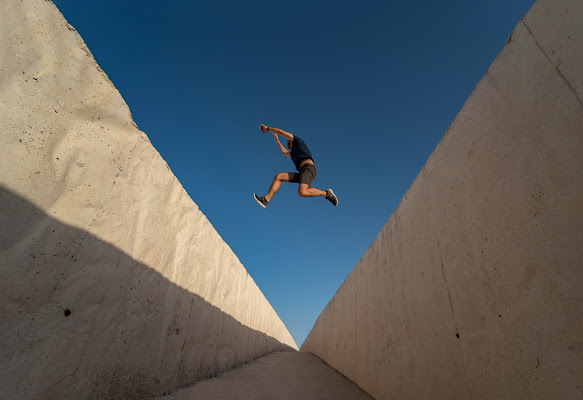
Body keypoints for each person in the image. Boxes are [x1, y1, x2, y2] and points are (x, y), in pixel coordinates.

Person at [254, 124, 338, 208]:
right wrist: (277, 141)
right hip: (301, 172)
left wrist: (268, 129)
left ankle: (326, 193)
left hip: (308, 168)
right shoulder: (293, 153)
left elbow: (281, 132)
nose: (288, 144)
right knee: (279, 176)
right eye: (287, 144)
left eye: (289, 141)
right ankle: (265, 200)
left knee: (302, 192)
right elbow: (284, 152)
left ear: (292, 141)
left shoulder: (298, 141)